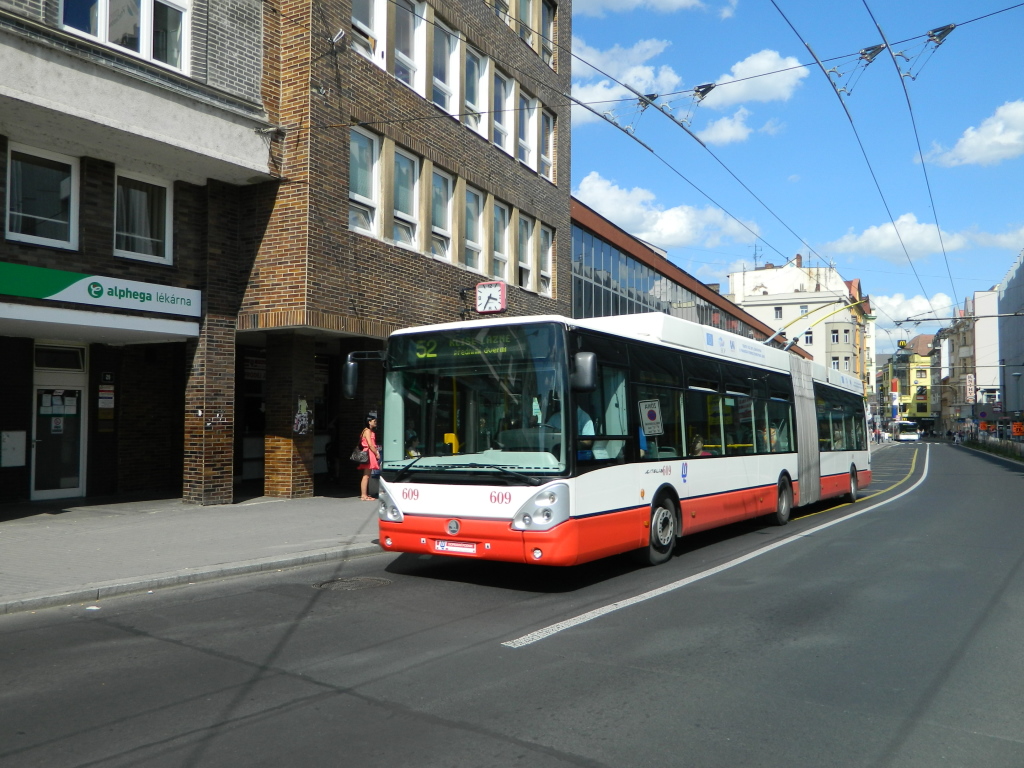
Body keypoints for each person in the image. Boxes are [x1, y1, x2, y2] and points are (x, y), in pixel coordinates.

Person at [357, 415, 380, 500]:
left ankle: (364, 494)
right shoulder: (367, 431)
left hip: (368, 453)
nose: (375, 423)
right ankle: (364, 495)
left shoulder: (367, 431)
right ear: (369, 422)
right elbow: (370, 444)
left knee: (367, 475)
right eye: (374, 421)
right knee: (366, 475)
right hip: (369, 453)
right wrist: (376, 453)